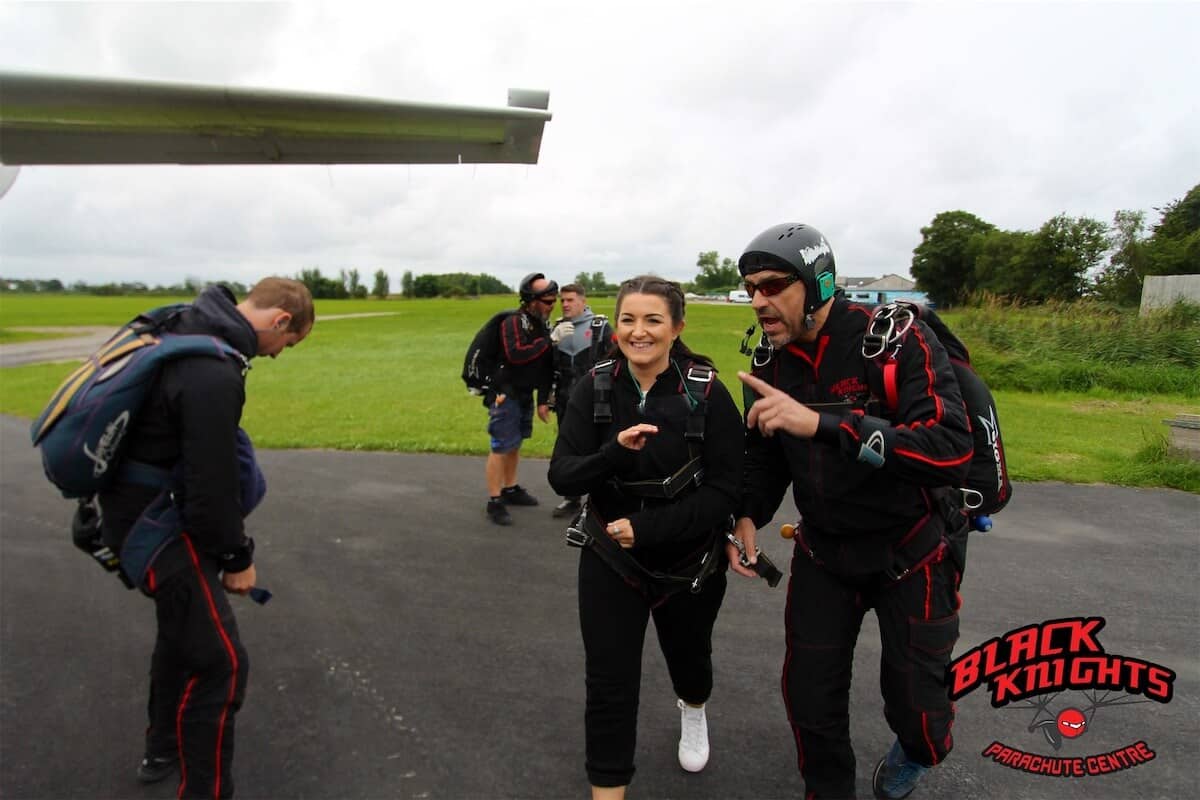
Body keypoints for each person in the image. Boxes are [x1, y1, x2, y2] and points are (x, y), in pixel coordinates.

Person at [727, 224, 974, 800]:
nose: (759, 300)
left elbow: (951, 447)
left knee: (916, 705)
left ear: (817, 283)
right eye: (750, 289)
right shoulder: (767, 359)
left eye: (772, 285)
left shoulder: (894, 340)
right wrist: (746, 514)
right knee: (810, 698)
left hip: (911, 553)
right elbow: (766, 456)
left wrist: (824, 423)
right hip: (824, 554)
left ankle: (917, 751)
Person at [98, 277, 313, 799]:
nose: (281, 354)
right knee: (221, 663)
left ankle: (162, 747)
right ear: (280, 321)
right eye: (289, 342)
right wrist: (237, 556)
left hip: (129, 513)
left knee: (182, 636)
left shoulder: (178, 326)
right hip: (157, 526)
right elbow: (209, 484)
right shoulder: (212, 370)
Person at [548, 276, 743, 799]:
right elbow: (563, 476)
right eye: (629, 320)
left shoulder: (708, 391)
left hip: (689, 562)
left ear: (677, 327)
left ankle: (694, 707)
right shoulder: (595, 386)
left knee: (690, 661)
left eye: (653, 320)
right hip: (610, 557)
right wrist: (614, 451)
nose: (639, 332)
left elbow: (728, 489)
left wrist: (651, 527)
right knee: (609, 685)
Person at [485, 272, 558, 526]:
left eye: (554, 301)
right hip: (506, 394)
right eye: (548, 302)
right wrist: (549, 341)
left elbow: (543, 365)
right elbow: (516, 355)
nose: (552, 306)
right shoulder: (513, 323)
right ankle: (494, 500)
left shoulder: (540, 325)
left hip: (525, 394)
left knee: (515, 445)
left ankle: (510, 488)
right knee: (501, 445)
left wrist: (542, 400)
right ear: (531, 300)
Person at [548, 283, 613, 518]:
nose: (565, 304)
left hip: (597, 397)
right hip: (566, 399)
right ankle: (572, 498)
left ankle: (600, 500)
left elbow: (616, 362)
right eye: (562, 300)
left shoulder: (600, 327)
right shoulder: (557, 328)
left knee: (600, 447)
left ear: (583, 301)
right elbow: (548, 368)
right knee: (570, 447)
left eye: (570, 300)